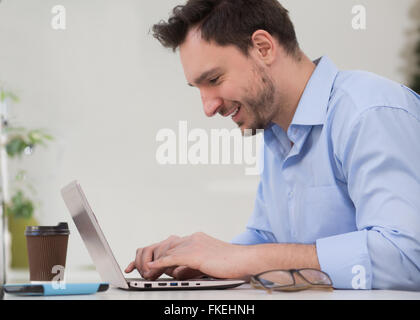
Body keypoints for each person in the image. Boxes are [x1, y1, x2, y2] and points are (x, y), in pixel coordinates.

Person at [124, 0, 420, 290]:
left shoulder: (370, 112)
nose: (208, 108)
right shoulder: (276, 131)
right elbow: (268, 240)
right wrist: (202, 261)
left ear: (263, 47)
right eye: (198, 89)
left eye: (214, 79)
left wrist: (240, 258)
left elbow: (407, 256)